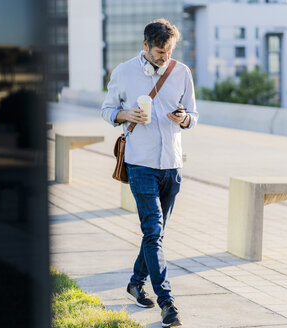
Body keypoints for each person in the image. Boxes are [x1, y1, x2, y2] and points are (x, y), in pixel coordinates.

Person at [101, 18, 198, 327]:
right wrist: (124, 114)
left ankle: (135, 282)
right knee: (153, 231)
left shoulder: (181, 72)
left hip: (172, 164)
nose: (164, 57)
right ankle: (167, 303)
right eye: (159, 51)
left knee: (154, 233)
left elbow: (193, 115)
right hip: (140, 162)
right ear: (145, 46)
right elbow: (106, 110)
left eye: (169, 50)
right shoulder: (123, 72)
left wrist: (183, 119)